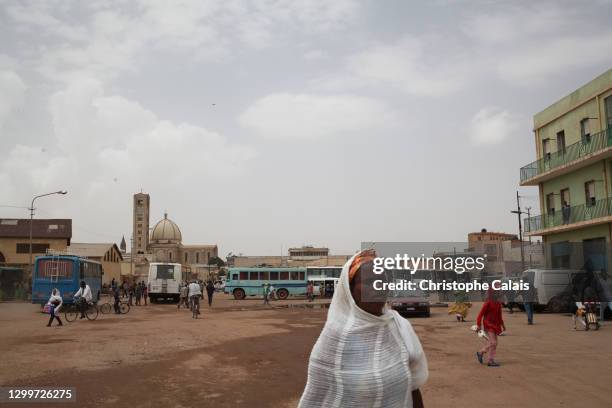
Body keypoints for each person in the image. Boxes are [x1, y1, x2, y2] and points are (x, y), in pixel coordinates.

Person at [299, 250, 427, 408]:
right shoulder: (335, 339)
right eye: (368, 281)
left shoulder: (400, 327)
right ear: (349, 289)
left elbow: (413, 389)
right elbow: (318, 399)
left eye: (382, 281)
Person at [476, 288, 506, 367]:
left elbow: (499, 316)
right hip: (488, 325)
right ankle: (483, 354)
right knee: (493, 342)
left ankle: (489, 358)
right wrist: (479, 325)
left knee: (494, 343)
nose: (499, 293)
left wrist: (502, 325)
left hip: (495, 325)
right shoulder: (488, 302)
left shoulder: (498, 303)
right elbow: (480, 314)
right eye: (497, 292)